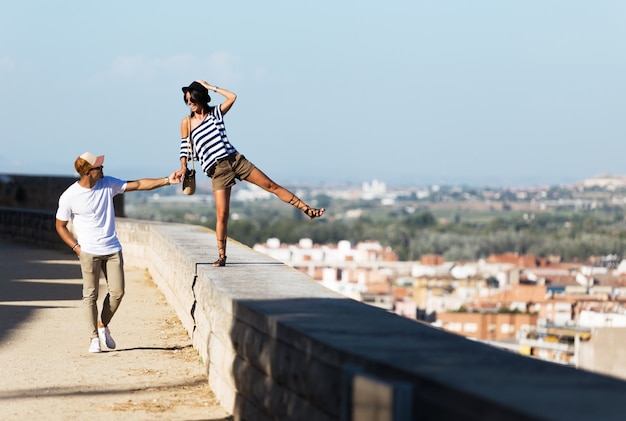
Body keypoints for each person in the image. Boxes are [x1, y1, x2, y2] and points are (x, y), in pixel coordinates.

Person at [175, 80, 325, 267]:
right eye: (187, 99)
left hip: (235, 160)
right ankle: (222, 256)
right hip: (217, 170)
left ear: (201, 97)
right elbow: (184, 148)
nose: (189, 102)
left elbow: (233, 97)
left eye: (192, 98)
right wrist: (183, 167)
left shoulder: (216, 113)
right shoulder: (187, 123)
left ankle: (307, 209)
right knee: (222, 214)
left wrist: (211, 86)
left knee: (271, 186)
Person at [55, 152, 183, 353]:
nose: (103, 170)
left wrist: (168, 180)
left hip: (112, 249)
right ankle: (93, 338)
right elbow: (60, 225)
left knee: (118, 292)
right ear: (88, 172)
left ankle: (102, 324)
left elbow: (139, 184)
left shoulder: (108, 184)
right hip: (88, 251)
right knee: (90, 295)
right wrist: (76, 248)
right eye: (99, 167)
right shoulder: (69, 196)